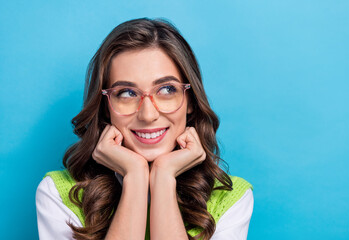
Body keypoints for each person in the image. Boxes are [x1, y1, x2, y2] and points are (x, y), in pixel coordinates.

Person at [36, 18, 254, 240]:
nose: (148, 115)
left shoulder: (230, 199)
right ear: (106, 107)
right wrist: (135, 177)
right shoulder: (58, 194)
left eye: (167, 89)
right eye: (127, 93)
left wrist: (163, 177)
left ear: (190, 101)